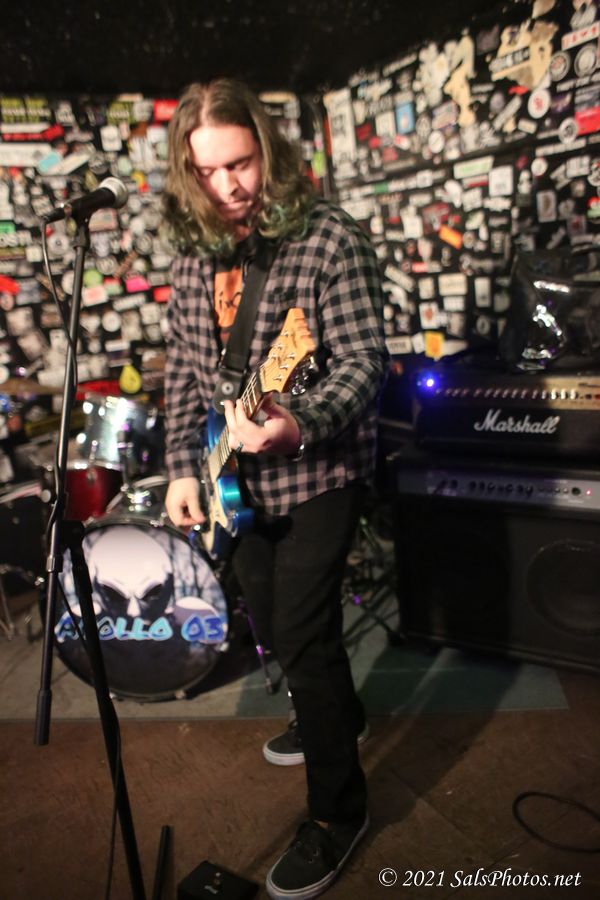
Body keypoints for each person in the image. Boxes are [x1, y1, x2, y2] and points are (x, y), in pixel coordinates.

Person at [162, 78, 388, 900]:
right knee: (272, 618)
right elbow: (183, 374)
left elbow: (363, 362)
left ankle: (338, 811)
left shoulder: (329, 238)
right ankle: (337, 715)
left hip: (318, 470)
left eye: (242, 162)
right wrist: (181, 467)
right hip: (236, 480)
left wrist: (301, 420)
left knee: (303, 626)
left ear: (267, 147)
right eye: (210, 170)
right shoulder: (193, 254)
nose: (229, 185)